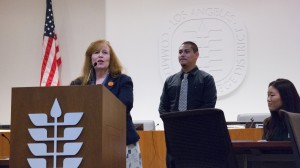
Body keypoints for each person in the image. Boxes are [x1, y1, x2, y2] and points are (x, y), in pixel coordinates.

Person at [70, 39, 142, 167]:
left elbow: (125, 105)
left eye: (105, 52)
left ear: (110, 58)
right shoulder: (79, 84)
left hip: (121, 140)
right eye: (96, 52)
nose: (100, 55)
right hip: (89, 141)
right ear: (90, 58)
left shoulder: (122, 80)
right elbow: (71, 108)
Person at [158, 41, 217, 168]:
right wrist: (173, 123)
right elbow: (163, 107)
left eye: (186, 51)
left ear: (197, 55)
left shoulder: (206, 79)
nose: (182, 55)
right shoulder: (170, 80)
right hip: (174, 134)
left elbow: (209, 106)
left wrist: (188, 123)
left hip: (197, 134)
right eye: (180, 52)